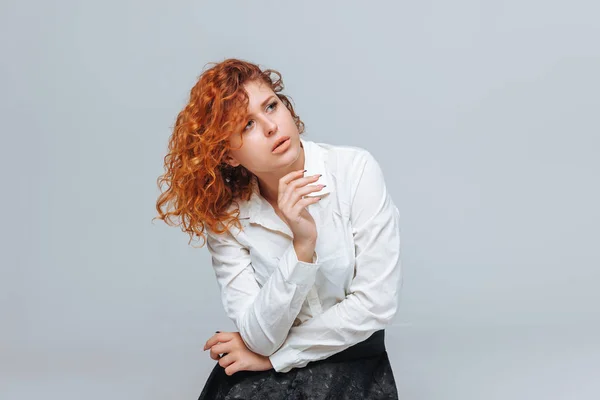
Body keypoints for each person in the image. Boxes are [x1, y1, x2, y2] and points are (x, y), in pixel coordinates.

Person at [155, 58, 402, 399]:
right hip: (260, 362)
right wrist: (303, 245)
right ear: (228, 155)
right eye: (247, 126)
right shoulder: (227, 219)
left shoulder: (354, 172)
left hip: (351, 356)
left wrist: (277, 358)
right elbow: (258, 338)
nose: (271, 126)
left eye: (271, 106)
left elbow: (375, 305)